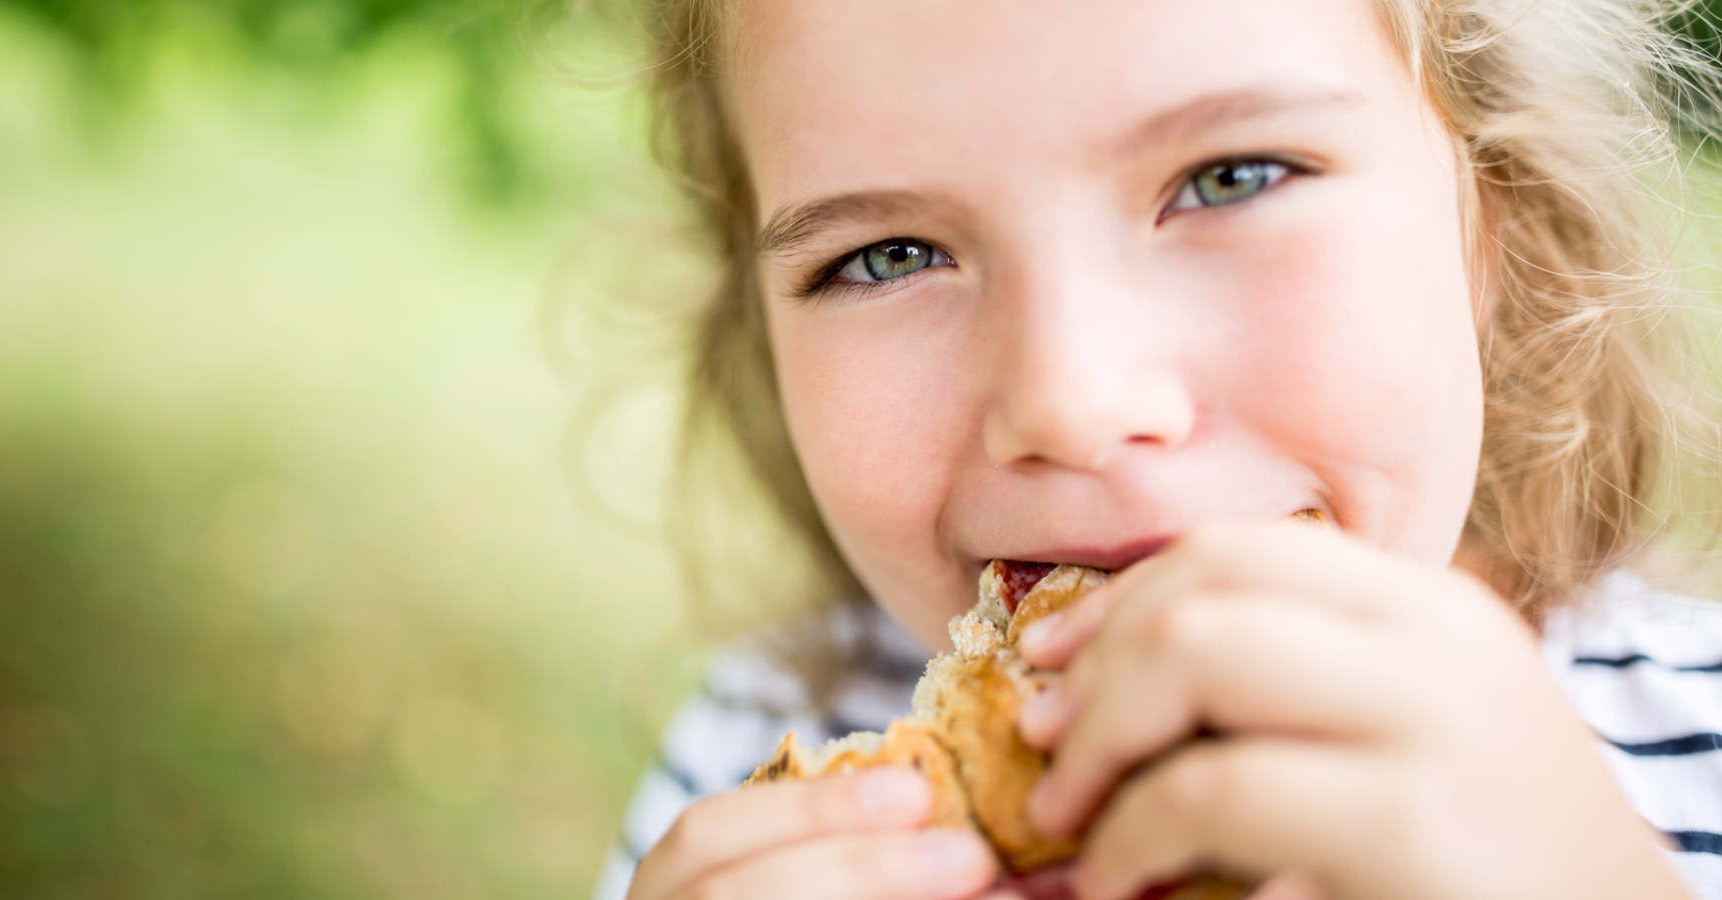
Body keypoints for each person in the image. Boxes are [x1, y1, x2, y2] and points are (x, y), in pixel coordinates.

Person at [592, 0, 1722, 897]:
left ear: (1491, 221)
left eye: (1231, 178)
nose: (1069, 401)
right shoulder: (767, 762)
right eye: (889, 255)